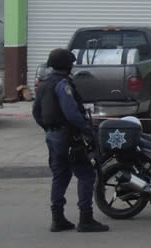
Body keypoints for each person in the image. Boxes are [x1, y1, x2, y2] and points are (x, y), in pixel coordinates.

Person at [32, 48, 109, 233]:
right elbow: (71, 113)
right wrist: (87, 129)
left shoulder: (43, 84)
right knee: (86, 174)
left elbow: (36, 112)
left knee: (60, 176)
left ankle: (57, 219)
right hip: (68, 137)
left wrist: (49, 128)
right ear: (67, 65)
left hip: (52, 136)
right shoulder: (63, 84)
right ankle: (86, 218)